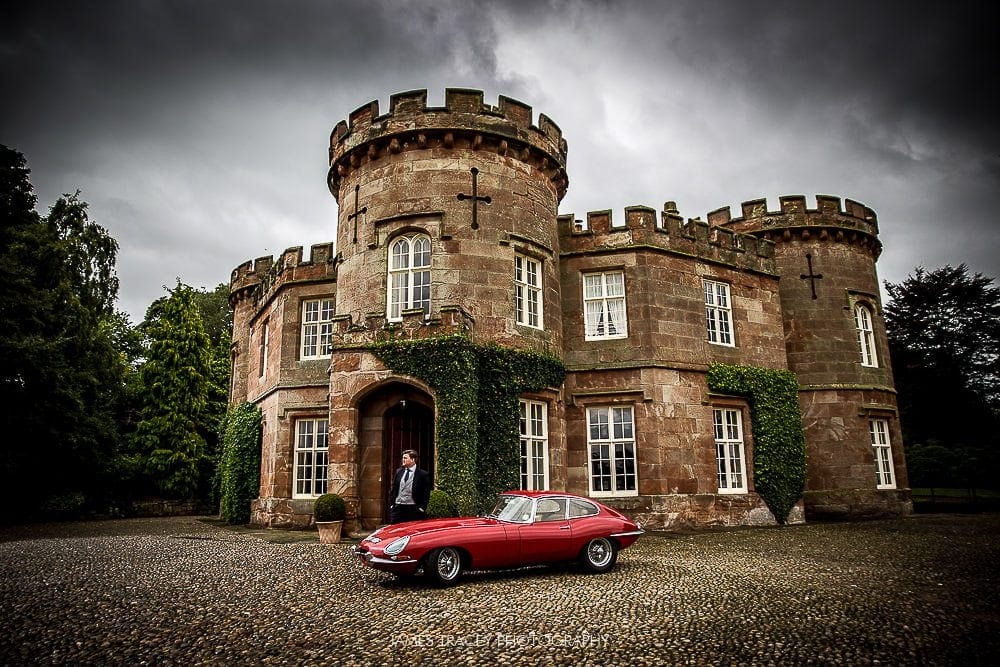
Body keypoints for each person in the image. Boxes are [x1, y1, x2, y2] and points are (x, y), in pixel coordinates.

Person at [388, 449, 430, 524]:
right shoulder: (399, 471)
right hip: (398, 508)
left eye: (405, 458)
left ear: (413, 459)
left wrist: (422, 508)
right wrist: (392, 505)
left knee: (411, 531)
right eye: (402, 458)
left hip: (413, 509)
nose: (402, 460)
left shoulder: (423, 474)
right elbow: (394, 489)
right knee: (395, 531)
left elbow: (426, 493)